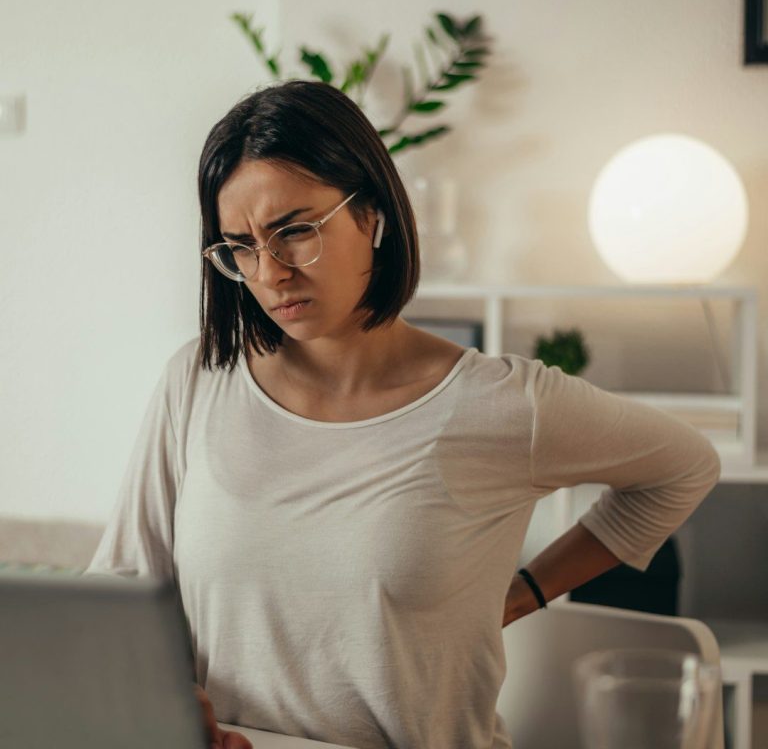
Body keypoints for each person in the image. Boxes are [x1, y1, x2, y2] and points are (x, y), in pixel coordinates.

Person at [86, 80, 721, 749]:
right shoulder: (198, 380)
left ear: (373, 214)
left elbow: (684, 468)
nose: (270, 273)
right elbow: (120, 595)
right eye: (239, 247)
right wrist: (167, 701)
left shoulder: (502, 405)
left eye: (295, 231)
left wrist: (524, 592)